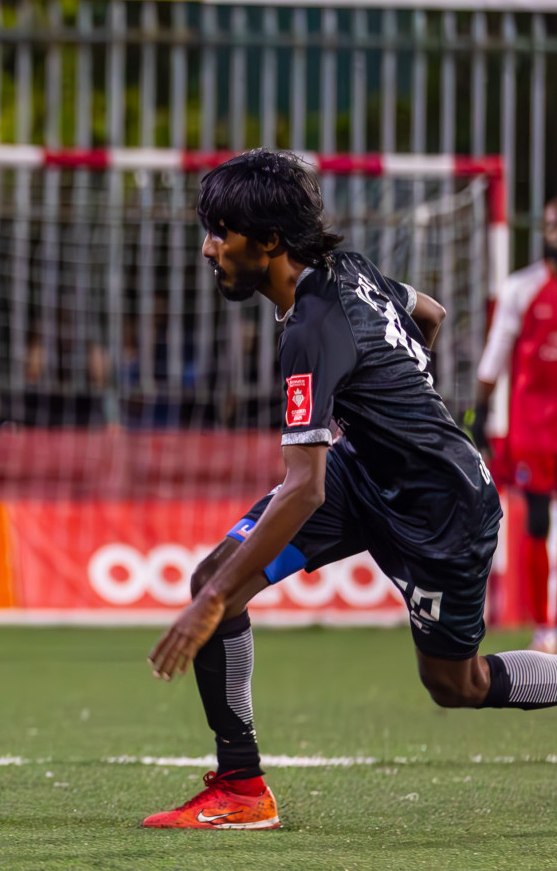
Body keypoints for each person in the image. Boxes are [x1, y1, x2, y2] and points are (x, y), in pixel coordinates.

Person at [143, 150, 557, 831]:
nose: (208, 248)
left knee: (456, 686)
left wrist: (211, 604)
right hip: (366, 474)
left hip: (443, 510)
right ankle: (242, 790)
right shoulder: (350, 273)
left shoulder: (310, 329)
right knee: (216, 574)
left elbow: (301, 490)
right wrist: (399, 402)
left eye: (221, 233)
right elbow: (431, 311)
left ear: (270, 242)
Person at [473, 199, 557, 652]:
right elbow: (495, 355)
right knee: (538, 522)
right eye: (550, 224)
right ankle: (546, 626)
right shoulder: (521, 289)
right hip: (536, 428)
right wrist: (479, 413)